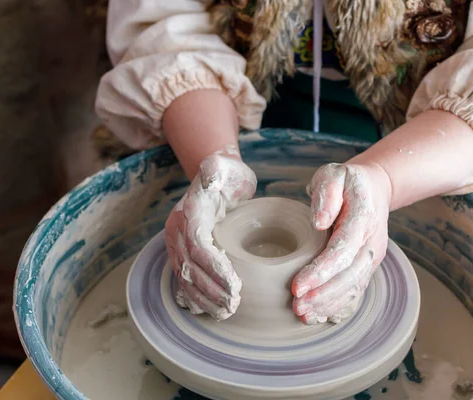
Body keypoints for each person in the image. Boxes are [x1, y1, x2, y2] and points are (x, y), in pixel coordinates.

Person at [95, 0, 473, 325]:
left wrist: (385, 179)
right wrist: (214, 161)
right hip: (221, 118)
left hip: (425, 145)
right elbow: (167, 24)